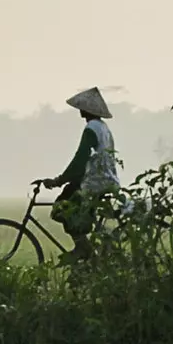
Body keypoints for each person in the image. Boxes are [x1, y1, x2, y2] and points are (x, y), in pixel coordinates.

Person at [39, 86, 120, 259]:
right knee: (73, 197)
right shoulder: (103, 127)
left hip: (96, 182)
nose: (80, 111)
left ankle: (82, 247)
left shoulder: (91, 127)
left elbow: (81, 158)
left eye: (82, 109)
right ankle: (90, 253)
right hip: (107, 179)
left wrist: (59, 180)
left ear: (86, 110)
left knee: (62, 207)